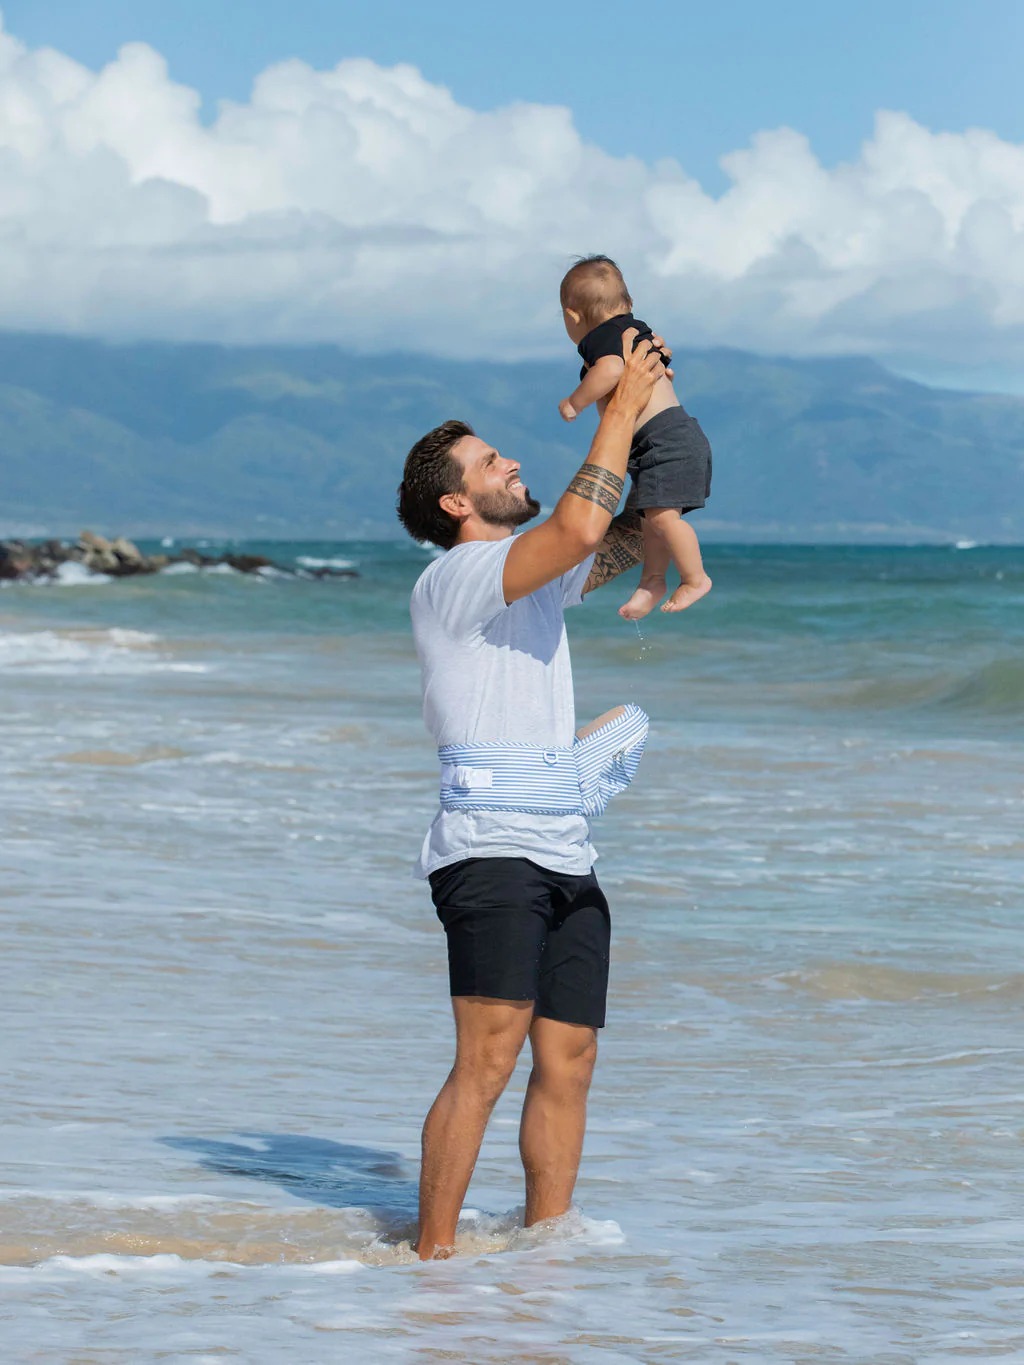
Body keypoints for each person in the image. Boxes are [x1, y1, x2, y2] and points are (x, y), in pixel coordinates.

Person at [396, 328, 668, 1260]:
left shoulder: (534, 580)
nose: (512, 462)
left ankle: (545, 1256)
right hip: (488, 850)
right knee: (489, 1056)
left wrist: (660, 425)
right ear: (455, 501)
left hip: (564, 850)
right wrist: (614, 407)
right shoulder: (457, 578)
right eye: (490, 461)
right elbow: (582, 528)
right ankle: (431, 1264)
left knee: (571, 1056)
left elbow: (625, 532)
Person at [558, 255, 713, 620]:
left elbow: (612, 370)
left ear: (572, 316)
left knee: (663, 520)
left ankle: (694, 577)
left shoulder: (601, 339)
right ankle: (652, 582)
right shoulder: (636, 330)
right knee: (650, 520)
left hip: (665, 439)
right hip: (667, 438)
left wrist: (574, 402)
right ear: (627, 302)